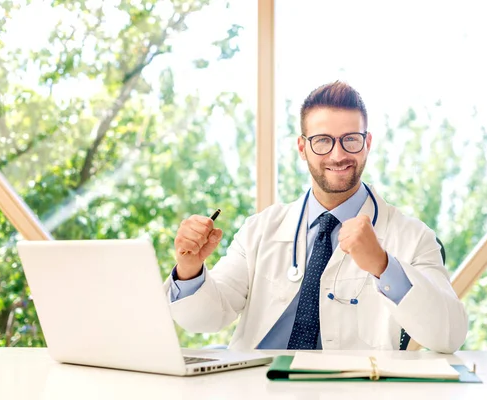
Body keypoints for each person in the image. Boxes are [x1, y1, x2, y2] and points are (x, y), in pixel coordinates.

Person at [164, 81, 468, 353]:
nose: (337, 155)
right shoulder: (261, 229)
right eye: (322, 140)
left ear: (368, 143)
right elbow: (206, 318)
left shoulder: (413, 237)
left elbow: (449, 335)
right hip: (258, 388)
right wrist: (190, 268)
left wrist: (383, 265)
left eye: (350, 139)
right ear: (302, 147)